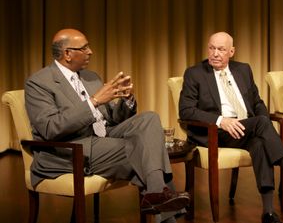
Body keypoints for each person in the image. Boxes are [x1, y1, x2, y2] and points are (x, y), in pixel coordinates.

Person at [24, 28, 189, 223]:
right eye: (84, 48)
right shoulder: (39, 82)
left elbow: (113, 119)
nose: (90, 51)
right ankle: (161, 202)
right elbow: (50, 128)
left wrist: (126, 100)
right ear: (67, 53)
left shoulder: (91, 77)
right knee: (146, 151)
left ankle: (155, 195)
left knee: (149, 118)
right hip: (72, 148)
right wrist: (93, 101)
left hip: (104, 138)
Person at [179, 32, 283, 223]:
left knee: (260, 144)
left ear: (231, 51)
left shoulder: (243, 69)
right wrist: (221, 120)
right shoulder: (195, 73)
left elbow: (257, 102)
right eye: (212, 48)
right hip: (216, 132)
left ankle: (268, 212)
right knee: (262, 123)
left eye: (221, 49)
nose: (215, 53)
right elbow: (186, 111)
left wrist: (260, 121)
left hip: (247, 129)